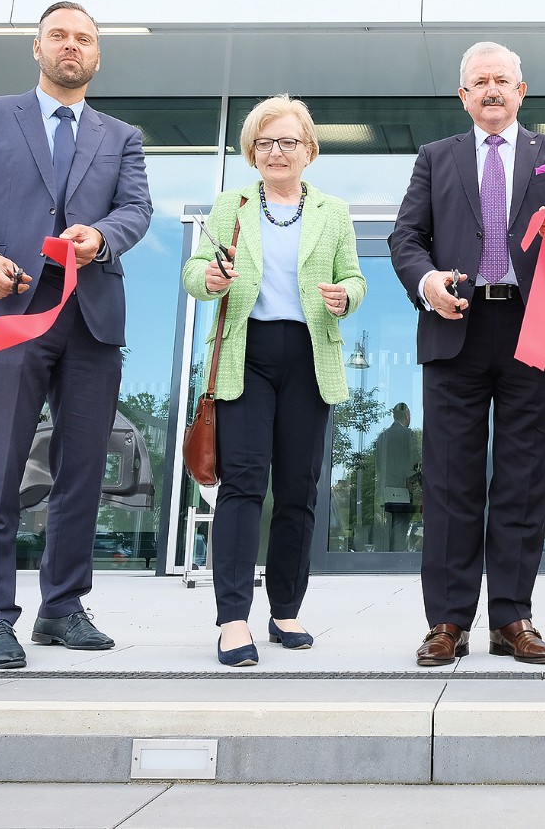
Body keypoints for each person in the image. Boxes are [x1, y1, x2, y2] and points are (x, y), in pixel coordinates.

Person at [0, 0, 153, 669]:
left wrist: (102, 238)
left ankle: (62, 608)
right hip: (11, 317)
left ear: (97, 55)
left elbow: (135, 209)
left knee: (82, 473)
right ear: (37, 47)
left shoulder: (122, 135)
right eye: (59, 35)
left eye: (84, 38)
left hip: (91, 322)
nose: (71, 46)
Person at [389, 41, 545, 666]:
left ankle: (512, 617)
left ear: (521, 91)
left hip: (533, 327)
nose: (491, 90)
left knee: (523, 476)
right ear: (462, 95)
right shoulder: (435, 158)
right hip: (456, 324)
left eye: (502, 81)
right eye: (479, 81)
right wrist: (426, 282)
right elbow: (407, 236)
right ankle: (448, 621)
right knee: (451, 479)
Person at [182, 95, 366, 667]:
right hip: (248, 355)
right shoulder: (230, 205)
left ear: (308, 151)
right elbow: (194, 273)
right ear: (252, 152)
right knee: (241, 484)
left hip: (310, 357)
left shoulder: (333, 212)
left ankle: (285, 609)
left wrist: (345, 297)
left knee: (298, 488)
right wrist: (209, 277)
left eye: (289, 141)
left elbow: (354, 278)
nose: (278, 151)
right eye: (266, 142)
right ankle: (232, 618)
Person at [374, 402, 421, 552]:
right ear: (407, 416)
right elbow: (415, 463)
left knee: (388, 526)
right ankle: (397, 558)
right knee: (401, 526)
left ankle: (388, 556)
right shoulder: (409, 435)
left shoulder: (382, 436)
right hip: (404, 489)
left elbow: (379, 465)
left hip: (386, 489)